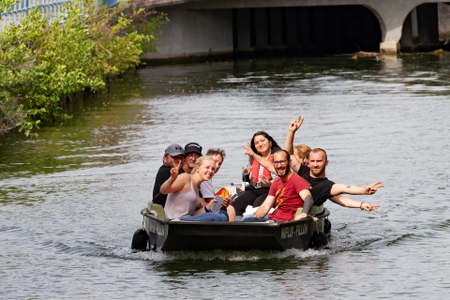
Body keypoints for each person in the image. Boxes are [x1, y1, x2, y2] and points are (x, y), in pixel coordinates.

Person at [248, 116, 382, 212]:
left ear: (326, 163)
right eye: (312, 161)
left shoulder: (327, 186)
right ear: (308, 162)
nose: (315, 164)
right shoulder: (303, 171)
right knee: (251, 215)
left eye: (319, 161)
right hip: (281, 209)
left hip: (299, 215)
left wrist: (363, 193)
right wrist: (291, 132)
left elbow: (345, 190)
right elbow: (288, 153)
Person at [241, 150, 313, 222]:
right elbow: (266, 206)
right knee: (247, 219)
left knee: (247, 219)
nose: (279, 166)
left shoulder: (297, 180)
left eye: (282, 162)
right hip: (274, 218)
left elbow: (308, 198)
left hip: (286, 222)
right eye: (276, 163)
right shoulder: (276, 182)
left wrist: (304, 214)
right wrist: (255, 218)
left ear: (290, 162)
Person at [230, 131, 281, 219]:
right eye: (256, 143)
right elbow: (251, 177)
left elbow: (282, 178)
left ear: (270, 142)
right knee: (235, 206)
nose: (260, 144)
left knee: (256, 207)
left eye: (262, 141)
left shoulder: (278, 158)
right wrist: (248, 172)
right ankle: (239, 227)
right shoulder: (254, 159)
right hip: (254, 189)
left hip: (269, 190)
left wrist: (270, 182)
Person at [160, 155, 228, 222]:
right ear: (197, 168)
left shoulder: (197, 188)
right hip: (175, 221)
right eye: (207, 167)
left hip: (187, 219)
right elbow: (163, 190)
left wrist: (207, 207)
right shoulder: (186, 178)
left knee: (223, 211)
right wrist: (171, 179)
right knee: (215, 217)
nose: (210, 171)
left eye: (213, 169)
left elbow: (192, 215)